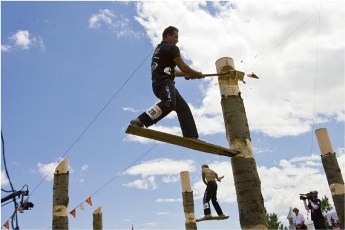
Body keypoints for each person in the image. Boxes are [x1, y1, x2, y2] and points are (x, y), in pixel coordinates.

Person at [130, 26, 203, 139]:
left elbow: (173, 70)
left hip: (160, 83)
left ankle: (191, 136)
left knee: (183, 108)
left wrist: (187, 74)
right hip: (164, 82)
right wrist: (196, 74)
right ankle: (140, 120)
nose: (177, 40)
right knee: (168, 102)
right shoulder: (172, 48)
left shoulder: (160, 48)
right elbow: (183, 66)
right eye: (175, 37)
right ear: (168, 36)